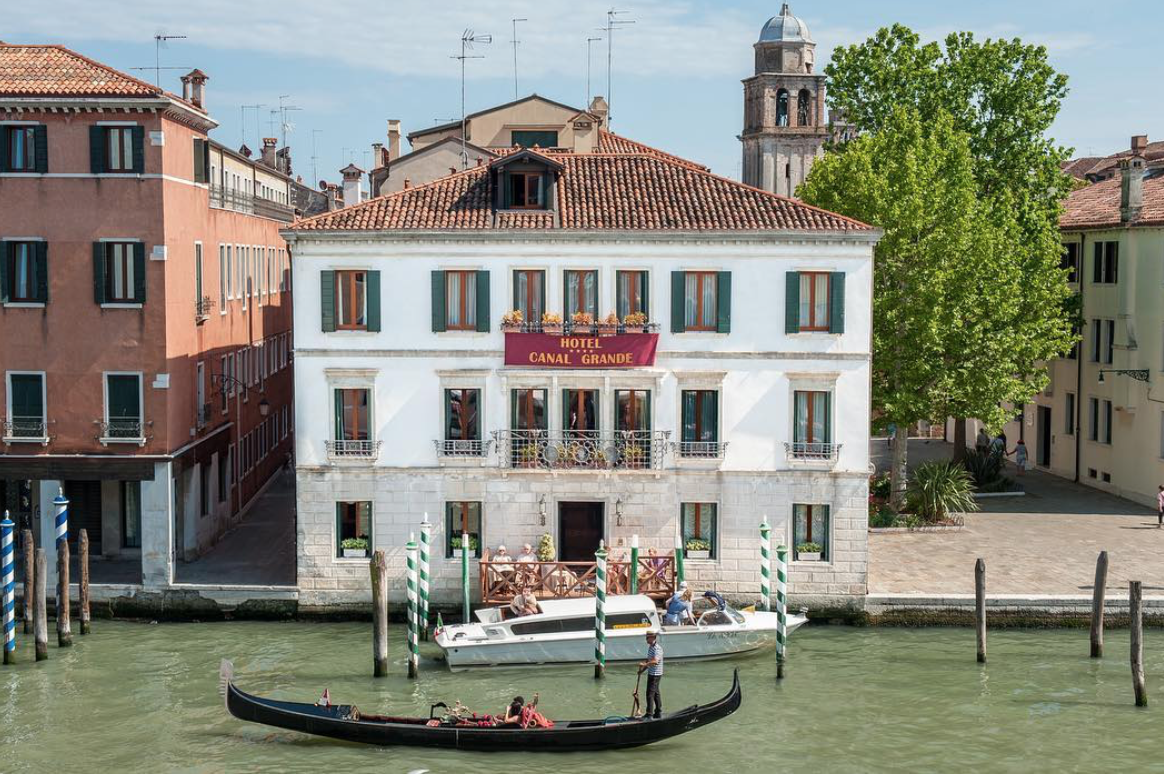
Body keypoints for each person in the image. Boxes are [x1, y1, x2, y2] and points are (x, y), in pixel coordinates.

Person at [639, 631, 664, 719]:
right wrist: (642, 670)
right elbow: (649, 660)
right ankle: (658, 712)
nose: (646, 639)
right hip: (652, 673)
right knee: (656, 693)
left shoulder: (657, 649)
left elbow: (655, 661)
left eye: (647, 637)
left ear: (653, 638)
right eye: (646, 637)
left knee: (650, 694)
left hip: (655, 674)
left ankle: (649, 714)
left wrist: (644, 665)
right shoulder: (651, 647)